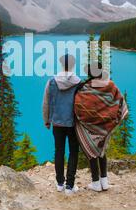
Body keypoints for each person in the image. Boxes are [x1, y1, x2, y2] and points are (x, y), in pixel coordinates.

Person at [74, 62, 128, 192]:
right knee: (102, 151)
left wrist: (87, 119)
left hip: (90, 126)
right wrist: (111, 117)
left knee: (92, 152)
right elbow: (120, 100)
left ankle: (96, 182)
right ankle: (105, 181)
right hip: (106, 126)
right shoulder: (109, 84)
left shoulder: (84, 88)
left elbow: (78, 107)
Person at [42, 54, 81, 195]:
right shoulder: (79, 83)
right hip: (73, 123)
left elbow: (46, 102)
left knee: (59, 151)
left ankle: (60, 184)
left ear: (61, 65)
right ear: (72, 65)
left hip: (57, 123)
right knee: (73, 152)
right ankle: (70, 186)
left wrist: (47, 120)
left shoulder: (51, 82)